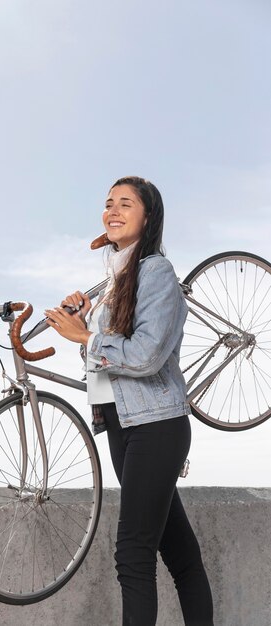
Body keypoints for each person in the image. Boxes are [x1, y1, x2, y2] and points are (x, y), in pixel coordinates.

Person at [44, 176, 214, 626]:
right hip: (121, 425)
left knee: (132, 554)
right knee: (179, 554)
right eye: (108, 204)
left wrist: (86, 334)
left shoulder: (156, 271)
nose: (113, 210)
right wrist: (86, 324)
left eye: (125, 203)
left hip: (156, 424)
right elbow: (108, 360)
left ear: (148, 216)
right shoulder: (116, 279)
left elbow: (145, 355)